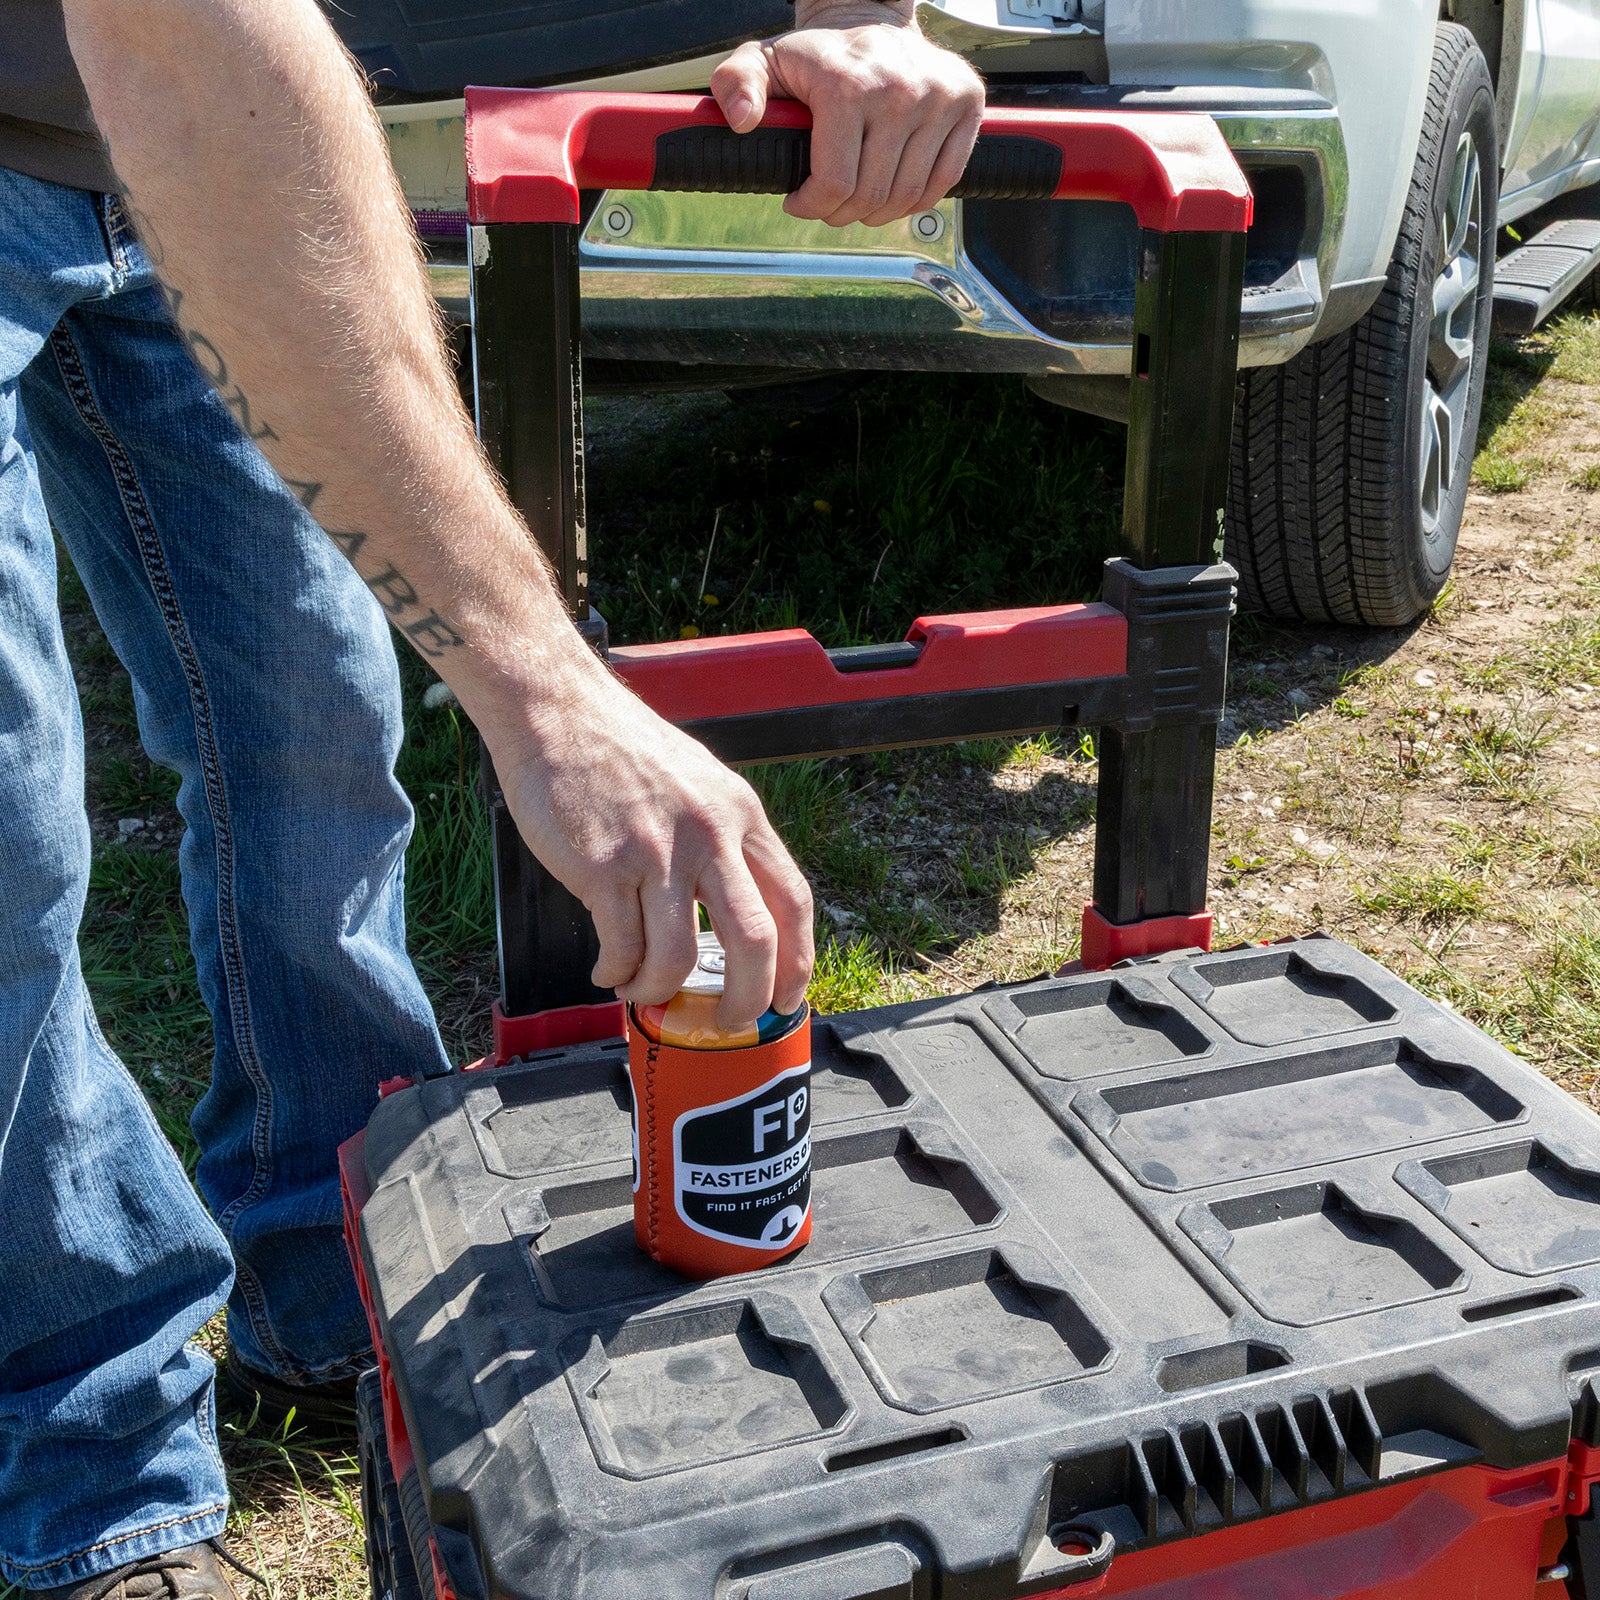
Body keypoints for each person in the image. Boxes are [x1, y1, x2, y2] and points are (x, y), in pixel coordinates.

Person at [0, 1, 984, 1596]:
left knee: (314, 722)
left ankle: (329, 1295)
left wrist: (841, 19)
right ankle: (89, 1446)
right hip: (174, 67)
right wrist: (550, 695)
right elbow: (188, 41)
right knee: (7, 836)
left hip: (171, 126)